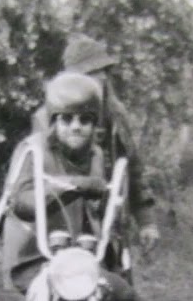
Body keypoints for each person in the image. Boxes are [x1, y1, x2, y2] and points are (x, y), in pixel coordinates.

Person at [5, 72, 180, 301]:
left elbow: (122, 192)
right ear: (53, 120)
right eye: (67, 119)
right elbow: (20, 199)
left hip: (84, 267)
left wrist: (131, 220)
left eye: (85, 120)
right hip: (37, 259)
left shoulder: (100, 156)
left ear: (95, 123)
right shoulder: (33, 151)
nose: (76, 127)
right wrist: (73, 187)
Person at [35, 34, 162, 262]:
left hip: (108, 226)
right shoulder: (49, 118)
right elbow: (37, 175)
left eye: (104, 71)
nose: (101, 77)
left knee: (115, 283)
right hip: (60, 224)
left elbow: (131, 168)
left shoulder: (115, 116)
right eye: (92, 72)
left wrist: (147, 222)